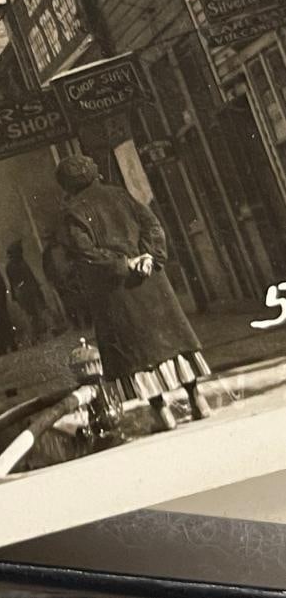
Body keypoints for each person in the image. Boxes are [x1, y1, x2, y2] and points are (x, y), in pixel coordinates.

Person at [55, 154, 211, 431]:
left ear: (66, 184)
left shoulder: (73, 213)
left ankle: (163, 414)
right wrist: (150, 257)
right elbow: (153, 225)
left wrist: (124, 264)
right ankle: (197, 398)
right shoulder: (121, 195)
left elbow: (85, 254)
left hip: (117, 292)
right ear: (94, 173)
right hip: (150, 282)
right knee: (175, 343)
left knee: (139, 355)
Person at [6, 240, 48, 345]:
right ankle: (35, 334)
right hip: (25, 291)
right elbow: (17, 280)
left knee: (33, 312)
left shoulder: (16, 264)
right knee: (32, 313)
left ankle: (38, 333)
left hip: (24, 290)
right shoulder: (16, 264)